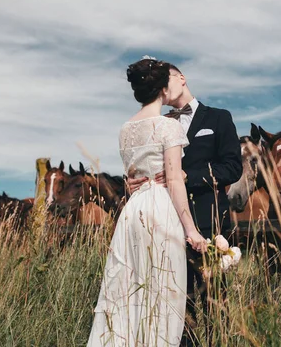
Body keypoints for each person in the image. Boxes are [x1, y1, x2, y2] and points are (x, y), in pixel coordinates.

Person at [87, 57, 208, 346]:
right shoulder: (169, 128)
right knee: (163, 288)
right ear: (164, 89)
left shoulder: (126, 129)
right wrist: (191, 229)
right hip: (160, 209)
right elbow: (175, 180)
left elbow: (132, 176)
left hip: (134, 211)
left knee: (127, 286)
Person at [125, 60, 242, 344]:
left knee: (215, 304)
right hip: (165, 221)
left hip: (207, 220)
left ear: (181, 78)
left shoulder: (218, 118)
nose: (164, 84)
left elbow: (232, 167)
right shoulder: (158, 124)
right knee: (176, 304)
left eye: (168, 78)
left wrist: (187, 176)